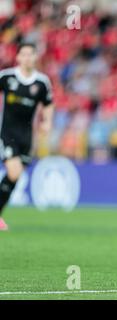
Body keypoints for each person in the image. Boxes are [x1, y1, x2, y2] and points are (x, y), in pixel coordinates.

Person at [0, 43, 54, 231]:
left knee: (16, 176)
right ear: (18, 57)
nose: (27, 58)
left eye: (31, 54)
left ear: (35, 57)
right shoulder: (7, 77)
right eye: (24, 54)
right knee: (13, 172)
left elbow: (48, 103)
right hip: (7, 132)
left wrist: (47, 121)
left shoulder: (41, 82)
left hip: (26, 136)